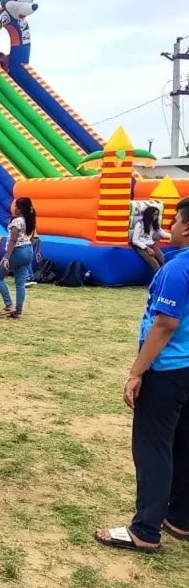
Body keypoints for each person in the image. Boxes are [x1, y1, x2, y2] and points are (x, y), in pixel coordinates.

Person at [96, 197, 189, 552]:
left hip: (168, 369)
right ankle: (180, 517)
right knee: (182, 442)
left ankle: (145, 530)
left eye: (176, 221)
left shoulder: (176, 270)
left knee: (153, 448)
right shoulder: (177, 264)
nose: (171, 228)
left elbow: (165, 323)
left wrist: (137, 372)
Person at [0, 197, 36, 319]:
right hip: (28, 250)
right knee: (20, 283)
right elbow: (32, 238)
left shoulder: (17, 221)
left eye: (16, 207)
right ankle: (18, 310)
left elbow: (13, 240)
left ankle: (9, 304)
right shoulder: (31, 221)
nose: (15, 209)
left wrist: (7, 258)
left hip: (17, 251)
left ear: (20, 208)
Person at [132, 205, 169, 273]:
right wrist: (147, 248)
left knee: (163, 259)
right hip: (141, 247)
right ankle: (158, 281)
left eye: (157, 215)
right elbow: (135, 240)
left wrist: (175, 236)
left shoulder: (153, 224)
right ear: (149, 215)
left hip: (151, 245)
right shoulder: (140, 224)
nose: (156, 216)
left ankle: (166, 277)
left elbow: (163, 234)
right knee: (155, 263)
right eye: (154, 214)